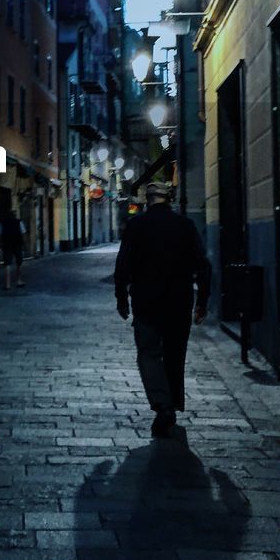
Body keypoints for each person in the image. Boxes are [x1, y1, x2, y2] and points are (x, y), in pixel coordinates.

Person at [113, 181, 212, 437]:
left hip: (146, 301)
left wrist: (121, 297)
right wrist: (202, 301)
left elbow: (123, 263)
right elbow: (203, 265)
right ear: (169, 199)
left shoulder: (137, 226)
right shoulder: (185, 225)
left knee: (148, 353)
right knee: (175, 354)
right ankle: (173, 404)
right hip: (179, 301)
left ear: (148, 199)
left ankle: (162, 404)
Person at [0, 209, 26, 290]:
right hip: (17, 244)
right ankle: (19, 281)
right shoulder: (19, 222)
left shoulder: (2, 223)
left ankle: (7, 284)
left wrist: (0, 244)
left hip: (7, 244)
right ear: (14, 215)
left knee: (7, 264)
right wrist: (24, 244)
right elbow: (23, 233)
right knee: (19, 263)